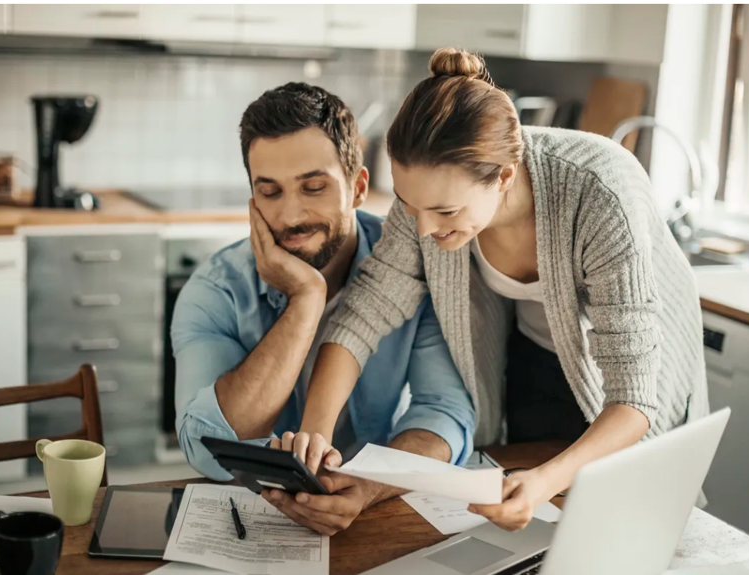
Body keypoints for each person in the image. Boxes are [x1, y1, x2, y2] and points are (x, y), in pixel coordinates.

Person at [288, 48, 710, 531]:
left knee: (627, 524)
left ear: (504, 176)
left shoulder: (599, 192)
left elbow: (634, 397)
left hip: (632, 384)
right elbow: (366, 311)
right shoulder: (425, 204)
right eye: (408, 203)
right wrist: (314, 436)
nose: (423, 229)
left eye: (445, 212)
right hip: (535, 359)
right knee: (543, 534)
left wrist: (544, 480)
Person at [171, 82, 476, 536]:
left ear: (357, 188)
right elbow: (206, 447)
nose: (292, 215)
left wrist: (370, 485)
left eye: (313, 187)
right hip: (260, 523)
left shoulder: (415, 269)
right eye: (270, 192)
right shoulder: (216, 290)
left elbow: (444, 414)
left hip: (378, 510)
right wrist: (305, 300)